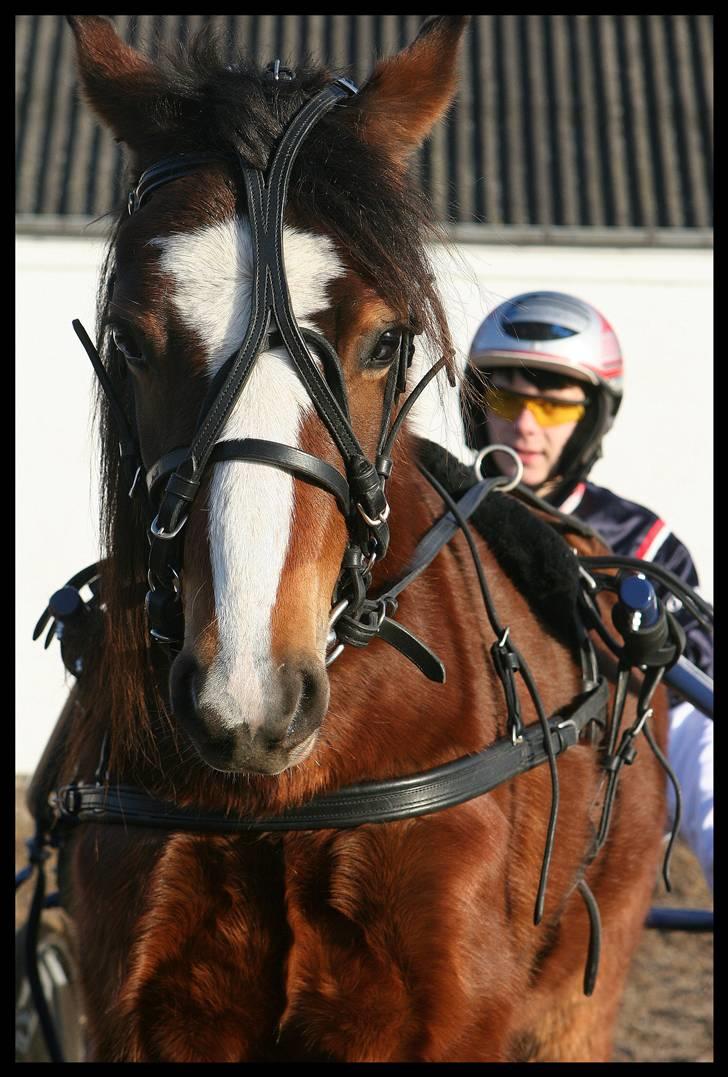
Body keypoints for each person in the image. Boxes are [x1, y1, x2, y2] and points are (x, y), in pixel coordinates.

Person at [464, 290, 713, 891]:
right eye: (505, 398)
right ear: (478, 407)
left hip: (611, 762)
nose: (524, 425)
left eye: (552, 408)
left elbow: (694, 697)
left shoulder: (643, 543)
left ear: (590, 420)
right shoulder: (433, 521)